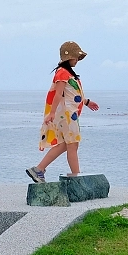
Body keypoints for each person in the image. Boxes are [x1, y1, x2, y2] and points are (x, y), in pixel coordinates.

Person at [26, 41, 99, 183]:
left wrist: (87, 102)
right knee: (73, 145)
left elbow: (72, 95)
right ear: (68, 57)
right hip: (66, 116)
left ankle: (39, 169)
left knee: (65, 145)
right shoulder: (62, 73)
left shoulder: (67, 73)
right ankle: (77, 177)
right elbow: (58, 94)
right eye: (76, 57)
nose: (77, 60)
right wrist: (52, 113)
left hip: (69, 114)